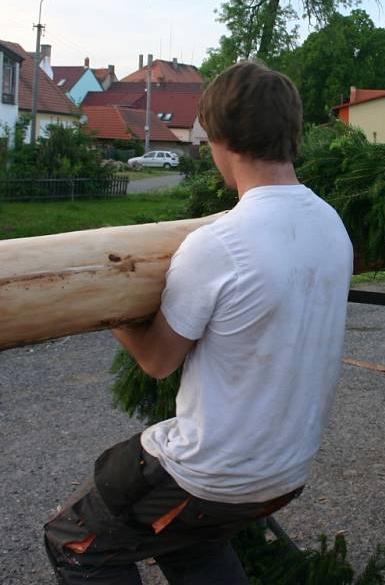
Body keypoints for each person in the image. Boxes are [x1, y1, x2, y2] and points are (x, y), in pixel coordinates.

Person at [43, 61, 354, 583]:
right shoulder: (329, 222)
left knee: (77, 540)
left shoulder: (220, 243)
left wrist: (108, 304)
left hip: (213, 474)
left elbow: (158, 362)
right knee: (188, 539)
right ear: (291, 133)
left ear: (221, 138)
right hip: (286, 467)